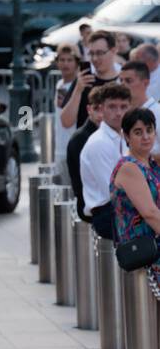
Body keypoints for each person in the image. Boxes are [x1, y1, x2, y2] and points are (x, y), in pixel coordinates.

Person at [111, 108, 160, 286]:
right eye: (138, 132)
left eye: (149, 130)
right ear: (127, 137)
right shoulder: (129, 167)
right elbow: (150, 213)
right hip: (147, 254)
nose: (146, 136)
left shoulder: (151, 163)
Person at [79, 81, 130, 238]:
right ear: (101, 108)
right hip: (107, 215)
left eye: (123, 107)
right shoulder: (99, 142)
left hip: (120, 210)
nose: (118, 113)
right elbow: (113, 191)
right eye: (112, 107)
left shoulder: (120, 136)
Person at [60, 29, 120, 130]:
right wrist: (78, 90)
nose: (95, 58)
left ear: (113, 51)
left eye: (100, 53)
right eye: (91, 54)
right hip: (85, 143)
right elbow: (66, 122)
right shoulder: (84, 81)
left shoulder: (123, 81)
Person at [67, 85, 104, 215]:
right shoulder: (81, 139)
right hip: (91, 206)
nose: (101, 115)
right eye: (96, 109)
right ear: (89, 109)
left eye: (104, 109)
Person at [53, 44, 79, 176]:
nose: (65, 64)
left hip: (73, 146)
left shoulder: (79, 86)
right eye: (62, 60)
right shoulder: (59, 84)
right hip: (60, 147)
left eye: (69, 60)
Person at [119, 60, 160, 139]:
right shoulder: (120, 113)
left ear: (145, 83)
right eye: (121, 80)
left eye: (128, 81)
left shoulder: (158, 112)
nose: (122, 85)